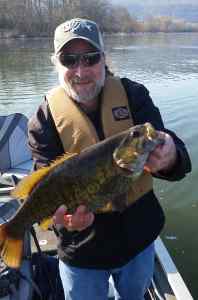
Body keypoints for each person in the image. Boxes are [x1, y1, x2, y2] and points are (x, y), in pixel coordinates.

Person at [28, 18, 191, 300]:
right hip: (82, 254)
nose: (81, 70)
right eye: (69, 59)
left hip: (140, 242)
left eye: (90, 58)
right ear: (56, 63)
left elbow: (179, 163)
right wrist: (62, 222)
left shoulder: (133, 95)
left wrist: (171, 155)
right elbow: (47, 192)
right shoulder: (44, 120)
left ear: (104, 58)